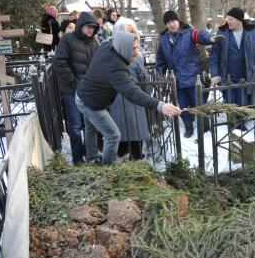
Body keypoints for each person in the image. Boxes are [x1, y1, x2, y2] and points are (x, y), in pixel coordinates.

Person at [75, 31, 182, 165]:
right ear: (124, 48)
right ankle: (107, 170)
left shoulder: (108, 47)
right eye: (134, 48)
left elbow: (111, 39)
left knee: (90, 128)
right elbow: (132, 93)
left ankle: (91, 159)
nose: (137, 53)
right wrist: (160, 105)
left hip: (83, 94)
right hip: (90, 103)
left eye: (137, 47)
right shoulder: (117, 69)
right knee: (113, 136)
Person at [157, 10, 224, 138]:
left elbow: (199, 35)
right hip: (176, 80)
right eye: (169, 23)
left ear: (178, 21)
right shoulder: (164, 38)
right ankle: (188, 127)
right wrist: (161, 74)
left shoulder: (188, 33)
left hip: (192, 78)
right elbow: (160, 59)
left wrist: (210, 38)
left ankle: (205, 127)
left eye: (173, 21)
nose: (172, 24)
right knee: (182, 106)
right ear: (166, 25)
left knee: (199, 104)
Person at [53, 12, 100, 164]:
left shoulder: (94, 43)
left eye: (93, 28)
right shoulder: (68, 39)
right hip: (71, 90)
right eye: (88, 27)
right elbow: (59, 62)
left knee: (90, 124)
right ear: (81, 26)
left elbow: (99, 64)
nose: (91, 30)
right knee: (75, 126)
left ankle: (90, 154)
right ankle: (78, 158)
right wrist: (74, 82)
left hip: (89, 91)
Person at [108, 17, 151, 159]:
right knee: (136, 127)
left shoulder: (112, 51)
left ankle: (121, 151)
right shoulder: (136, 55)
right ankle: (136, 155)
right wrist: (147, 93)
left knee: (121, 125)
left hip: (115, 94)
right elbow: (144, 77)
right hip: (134, 94)